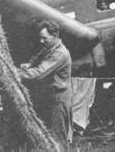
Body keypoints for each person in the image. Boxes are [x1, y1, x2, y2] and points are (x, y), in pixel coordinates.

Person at [19, 20, 72, 150]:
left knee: (58, 138)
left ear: (55, 36)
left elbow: (39, 73)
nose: (41, 41)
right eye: (40, 38)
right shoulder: (49, 47)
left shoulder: (60, 54)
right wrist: (30, 64)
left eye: (44, 38)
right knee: (49, 136)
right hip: (51, 97)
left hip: (58, 100)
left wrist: (14, 72)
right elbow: (38, 56)